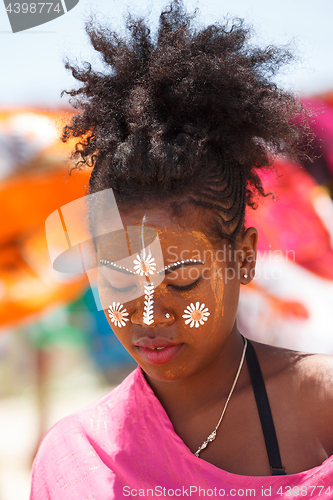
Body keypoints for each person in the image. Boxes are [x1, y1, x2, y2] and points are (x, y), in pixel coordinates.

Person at [30, 1, 333, 498]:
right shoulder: (75, 458)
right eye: (120, 278)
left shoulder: (322, 411)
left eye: (183, 277)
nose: (148, 314)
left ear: (245, 258)